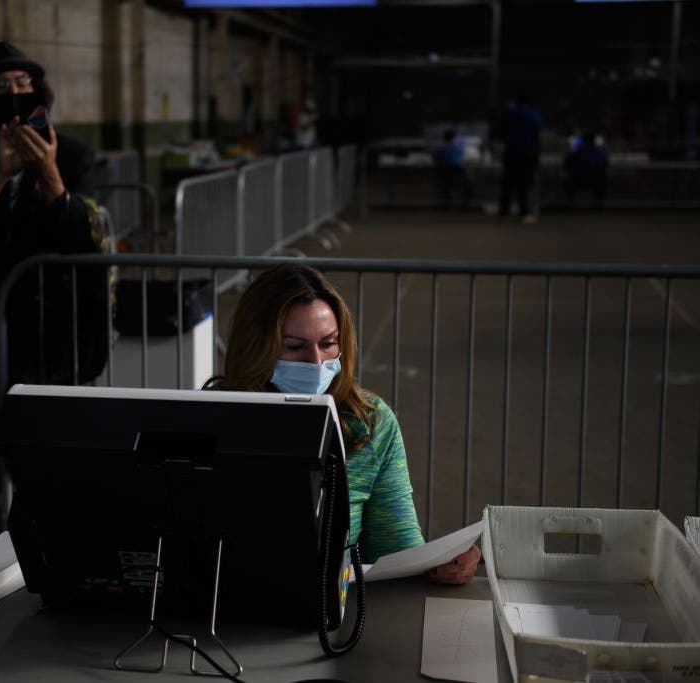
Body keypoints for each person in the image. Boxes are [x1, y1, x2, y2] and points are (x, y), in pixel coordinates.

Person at [0, 41, 110, 526]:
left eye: (23, 83)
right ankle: (4, 539)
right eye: (1, 85)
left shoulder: (73, 155)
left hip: (53, 328)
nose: (13, 91)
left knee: (51, 445)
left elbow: (83, 236)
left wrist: (47, 172)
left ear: (39, 92)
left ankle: (54, 537)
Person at [206, 264, 480, 583]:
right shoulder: (211, 413)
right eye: (294, 346)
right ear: (255, 347)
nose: (316, 362)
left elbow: (397, 550)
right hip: (223, 612)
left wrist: (441, 564)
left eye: (328, 343)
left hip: (332, 617)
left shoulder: (370, 422)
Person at [498, 94, 543, 223]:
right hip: (526, 152)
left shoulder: (508, 114)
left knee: (507, 182)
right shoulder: (532, 115)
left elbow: (501, 132)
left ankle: (504, 212)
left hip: (510, 151)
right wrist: (537, 153)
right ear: (528, 103)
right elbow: (537, 135)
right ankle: (524, 213)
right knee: (525, 183)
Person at [564, 131, 609, 208]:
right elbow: (605, 164)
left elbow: (567, 164)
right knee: (602, 177)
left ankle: (570, 201)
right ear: (594, 140)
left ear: (582, 141)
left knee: (569, 177)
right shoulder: (600, 153)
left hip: (577, 180)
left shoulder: (575, 153)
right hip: (595, 181)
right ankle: (598, 201)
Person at [433, 129, 473, 206]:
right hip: (455, 174)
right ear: (454, 139)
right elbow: (460, 161)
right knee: (468, 181)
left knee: (446, 181)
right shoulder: (458, 149)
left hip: (443, 174)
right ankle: (468, 201)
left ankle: (446, 200)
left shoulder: (439, 149)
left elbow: (436, 161)